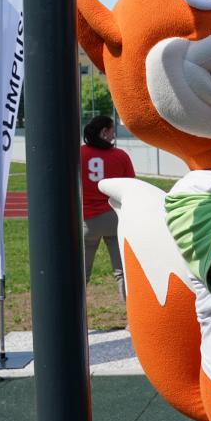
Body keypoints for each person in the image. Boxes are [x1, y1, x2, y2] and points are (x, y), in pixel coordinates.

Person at [80, 115, 134, 302]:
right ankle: (131, 312)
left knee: (82, 273)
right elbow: (130, 187)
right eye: (112, 130)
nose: (114, 134)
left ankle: (75, 314)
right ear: (104, 131)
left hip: (87, 219)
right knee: (122, 271)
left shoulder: (78, 154)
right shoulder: (120, 156)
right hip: (114, 218)